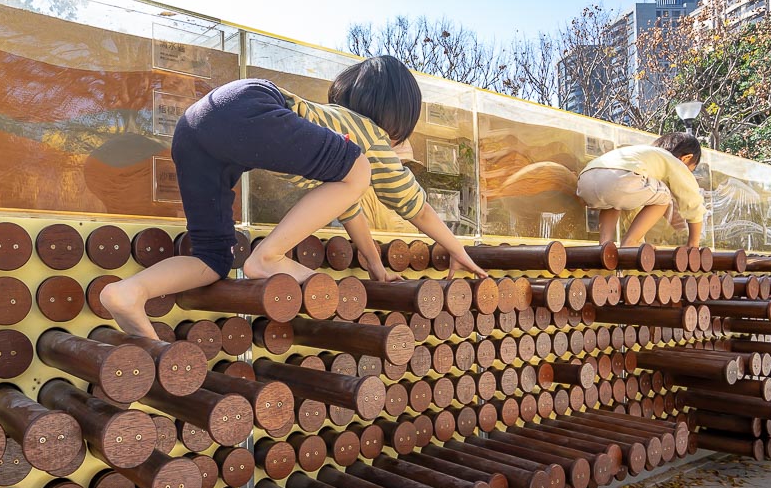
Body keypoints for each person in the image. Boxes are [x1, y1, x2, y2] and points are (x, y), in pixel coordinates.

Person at [101, 56, 488, 339]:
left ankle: (129, 293)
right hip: (249, 101)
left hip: (193, 128)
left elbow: (348, 206)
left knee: (212, 259)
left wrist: (376, 265)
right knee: (360, 171)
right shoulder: (370, 137)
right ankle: (267, 257)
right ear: (399, 118)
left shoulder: (335, 137)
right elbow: (412, 203)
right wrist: (458, 248)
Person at [576, 132, 705, 247]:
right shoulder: (673, 161)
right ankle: (631, 242)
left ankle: (605, 244)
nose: (688, 173)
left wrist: (640, 241)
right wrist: (693, 243)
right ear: (686, 158)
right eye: (691, 169)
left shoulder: (642, 154)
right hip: (620, 179)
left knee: (613, 202)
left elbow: (632, 207)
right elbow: (691, 201)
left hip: (585, 180)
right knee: (664, 195)